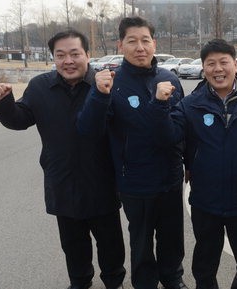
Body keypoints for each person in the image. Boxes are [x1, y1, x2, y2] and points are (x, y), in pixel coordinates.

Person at [0, 29, 126, 289]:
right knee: (73, 244)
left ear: (87, 54)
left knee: (110, 242)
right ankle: (80, 282)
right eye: (60, 55)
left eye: (75, 54)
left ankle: (114, 281)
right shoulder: (40, 86)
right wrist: (2, 103)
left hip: (102, 181)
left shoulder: (105, 84)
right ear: (54, 58)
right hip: (62, 181)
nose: (68, 61)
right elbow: (21, 119)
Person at [155, 38, 237, 289]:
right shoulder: (190, 104)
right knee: (204, 264)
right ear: (203, 67)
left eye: (224, 62)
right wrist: (159, 106)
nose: (218, 69)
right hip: (205, 201)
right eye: (211, 63)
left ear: (235, 64)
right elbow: (168, 137)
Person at [76, 16, 187, 289]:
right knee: (141, 239)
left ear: (154, 44)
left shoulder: (169, 79)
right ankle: (144, 282)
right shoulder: (112, 82)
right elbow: (89, 131)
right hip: (134, 181)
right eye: (132, 41)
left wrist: (187, 164)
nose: (140, 47)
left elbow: (180, 130)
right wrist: (99, 96)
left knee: (172, 236)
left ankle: (173, 278)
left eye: (145, 40)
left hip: (170, 178)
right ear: (120, 44)